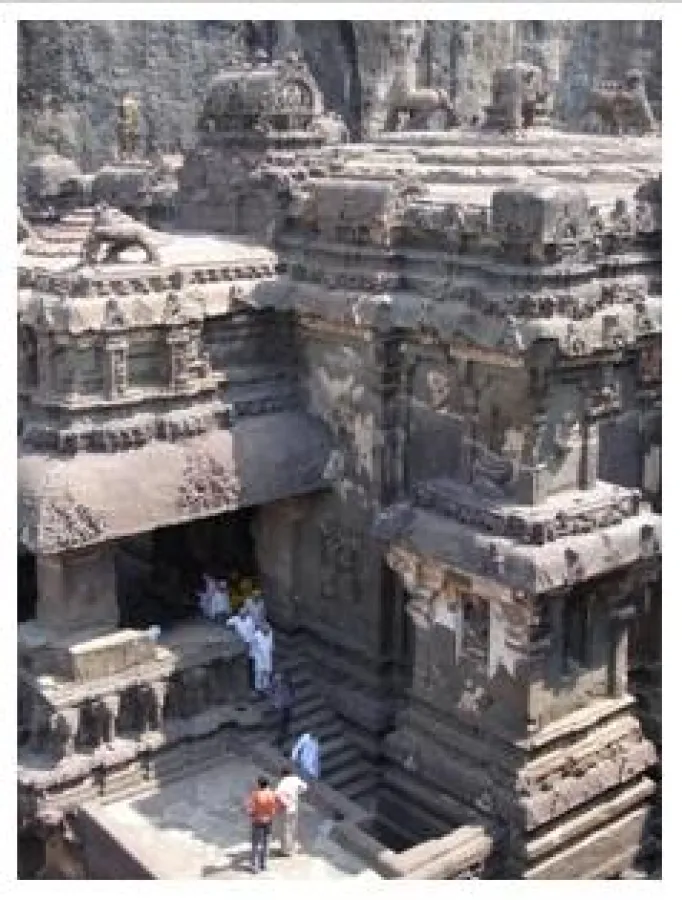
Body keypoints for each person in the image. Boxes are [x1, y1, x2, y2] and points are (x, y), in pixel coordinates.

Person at [245, 775, 278, 874]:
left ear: (259, 784)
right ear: (267, 784)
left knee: (256, 844)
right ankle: (264, 864)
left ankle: (255, 867)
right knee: (266, 843)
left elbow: (250, 808)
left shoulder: (255, 794)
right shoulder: (272, 794)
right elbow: (273, 810)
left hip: (257, 821)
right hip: (268, 821)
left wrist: (251, 814)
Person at [274, 764, 307, 856]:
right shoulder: (295, 779)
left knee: (285, 829)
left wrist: (283, 802)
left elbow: (277, 794)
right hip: (294, 807)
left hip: (286, 809)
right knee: (293, 828)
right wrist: (297, 793)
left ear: (283, 774)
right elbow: (305, 787)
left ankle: (285, 850)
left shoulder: (283, 782)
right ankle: (291, 846)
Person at [227, 606, 256, 690]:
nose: (242, 615)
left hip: (250, 643)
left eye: (244, 613)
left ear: (246, 614)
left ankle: (252, 685)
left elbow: (253, 631)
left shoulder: (250, 620)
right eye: (240, 613)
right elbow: (228, 623)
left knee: (251, 663)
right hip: (240, 643)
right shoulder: (235, 619)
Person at [269, 672, 295, 748]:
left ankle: (281, 739)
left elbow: (292, 693)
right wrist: (274, 702)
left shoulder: (287, 684)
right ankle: (280, 740)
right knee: (282, 723)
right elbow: (271, 692)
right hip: (282, 706)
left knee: (285, 722)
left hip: (286, 706)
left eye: (279, 678)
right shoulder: (276, 685)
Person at [251, 620, 274, 695]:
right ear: (262, 629)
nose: (267, 631)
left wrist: (271, 650)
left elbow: (271, 644)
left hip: (267, 656)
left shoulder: (270, 634)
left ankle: (266, 687)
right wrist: (254, 656)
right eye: (265, 630)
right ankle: (258, 688)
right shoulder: (256, 636)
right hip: (259, 658)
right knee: (259, 673)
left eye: (268, 629)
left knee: (267, 673)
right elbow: (253, 646)